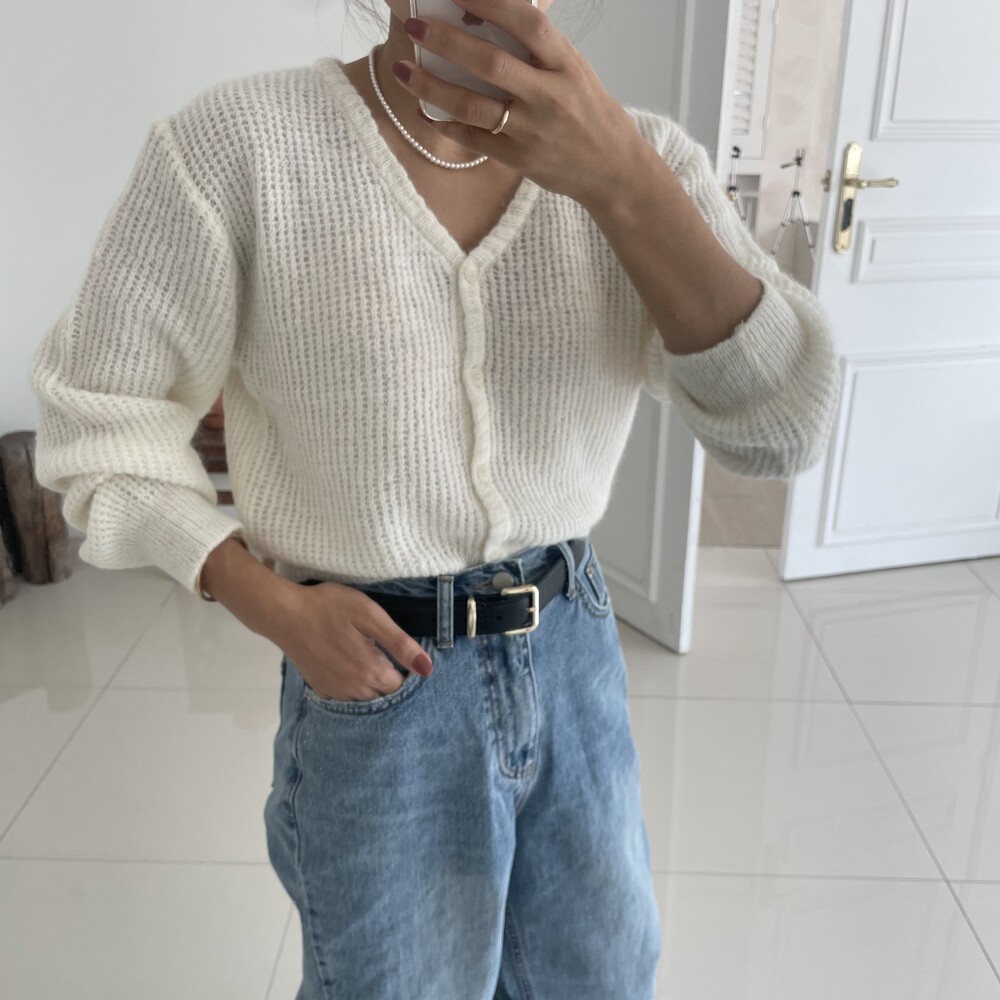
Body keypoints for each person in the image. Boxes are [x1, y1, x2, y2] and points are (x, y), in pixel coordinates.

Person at [28, 0, 843, 997]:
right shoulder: (237, 148)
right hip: (376, 680)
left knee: (599, 977)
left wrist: (624, 183)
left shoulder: (646, 163)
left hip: (574, 650)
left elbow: (780, 426)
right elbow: (97, 417)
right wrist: (269, 602)